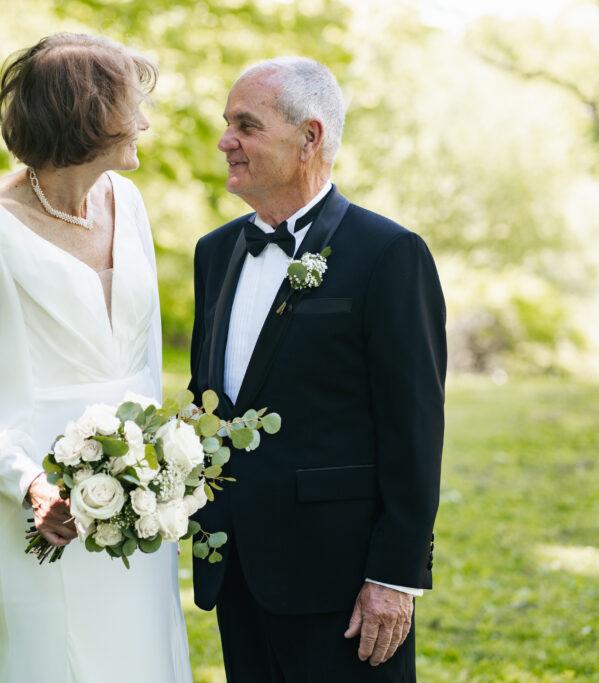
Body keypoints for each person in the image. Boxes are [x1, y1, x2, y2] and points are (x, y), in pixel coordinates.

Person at [0, 33, 191, 683]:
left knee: (145, 650)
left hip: (141, 488)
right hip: (48, 494)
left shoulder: (127, 203)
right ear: (84, 119)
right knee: (54, 655)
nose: (145, 122)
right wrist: (26, 481)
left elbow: (143, 352)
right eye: (130, 108)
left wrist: (160, 458)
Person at [188, 57, 446, 682]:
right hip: (237, 570)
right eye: (227, 124)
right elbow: (208, 403)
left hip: (343, 585)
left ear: (311, 137)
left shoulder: (389, 254)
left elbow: (414, 432)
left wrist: (393, 577)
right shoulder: (215, 252)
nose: (226, 141)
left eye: (246, 125)